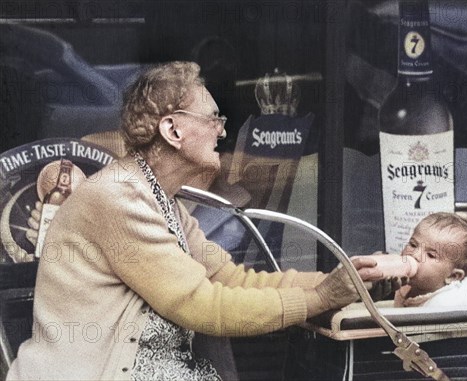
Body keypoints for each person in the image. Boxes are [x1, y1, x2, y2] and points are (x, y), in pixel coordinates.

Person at [6, 61, 387, 381]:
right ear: (173, 130)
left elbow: (231, 279)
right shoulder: (118, 197)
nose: (223, 129)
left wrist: (346, 283)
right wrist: (318, 299)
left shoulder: (161, 199)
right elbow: (202, 305)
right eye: (213, 118)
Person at [393, 212, 467, 308]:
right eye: (413, 245)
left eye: (430, 255)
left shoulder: (445, 305)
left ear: (452, 276)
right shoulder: (410, 281)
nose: (415, 255)